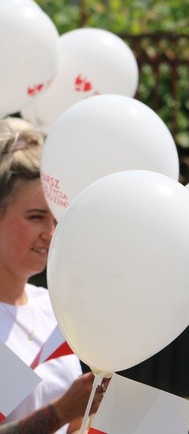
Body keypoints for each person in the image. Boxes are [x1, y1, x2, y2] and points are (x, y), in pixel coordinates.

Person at [0, 118, 107, 434]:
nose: (50, 233)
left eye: (56, 218)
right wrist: (60, 412)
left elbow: (74, 424)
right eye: (35, 217)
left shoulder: (54, 306)